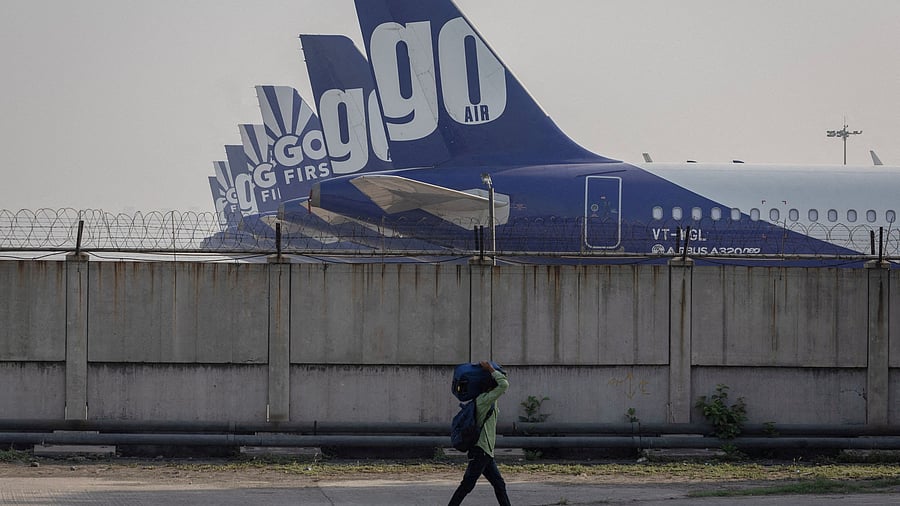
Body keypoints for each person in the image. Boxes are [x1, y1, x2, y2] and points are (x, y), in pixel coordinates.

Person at [448, 361, 511, 506]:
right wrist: (490, 369)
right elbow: (504, 385)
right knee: (467, 485)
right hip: (480, 451)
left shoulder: (489, 399)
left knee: (499, 485)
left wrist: (493, 373)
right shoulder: (484, 400)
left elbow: (502, 385)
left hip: (486, 452)